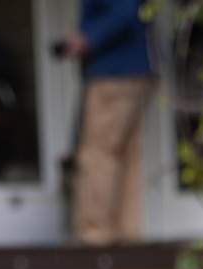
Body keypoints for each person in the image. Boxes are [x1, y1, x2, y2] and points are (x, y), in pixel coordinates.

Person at [65, 0, 154, 246]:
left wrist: (88, 38)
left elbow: (125, 11)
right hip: (133, 70)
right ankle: (126, 230)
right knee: (124, 153)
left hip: (113, 72)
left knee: (98, 153)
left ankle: (96, 232)